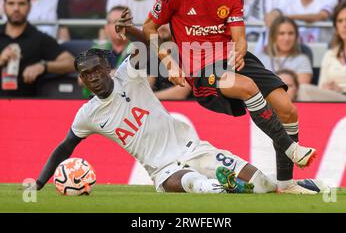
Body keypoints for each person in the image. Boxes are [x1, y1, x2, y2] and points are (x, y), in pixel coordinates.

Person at [142, 0, 317, 194]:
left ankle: (286, 184)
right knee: (246, 86)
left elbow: (239, 35)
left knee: (288, 109)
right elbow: (148, 27)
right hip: (200, 67)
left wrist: (240, 49)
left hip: (231, 58)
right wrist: (168, 62)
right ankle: (292, 149)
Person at [34, 23, 279, 195]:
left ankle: (232, 184)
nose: (93, 77)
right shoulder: (88, 114)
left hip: (192, 149)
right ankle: (222, 186)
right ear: (82, 80)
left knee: (264, 185)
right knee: (193, 183)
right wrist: (39, 182)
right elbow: (65, 146)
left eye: (97, 70)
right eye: (86, 75)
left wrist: (130, 30)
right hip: (163, 170)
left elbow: (147, 45)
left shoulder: (128, 74)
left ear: (107, 68)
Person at [0, 0, 75, 97]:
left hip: (28, 106)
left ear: (29, 7)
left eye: (21, 3)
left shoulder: (39, 39)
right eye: (11, 3)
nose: (16, 8)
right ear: (4, 7)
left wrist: (43, 66)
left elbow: (71, 63)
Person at [318, 0, 346, 100]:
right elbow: (321, 88)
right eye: (340, 21)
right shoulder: (329, 54)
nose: (344, 25)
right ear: (336, 27)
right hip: (333, 105)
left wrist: (343, 90)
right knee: (303, 89)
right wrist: (327, 88)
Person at [256, 17, 313, 84]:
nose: (286, 38)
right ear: (273, 36)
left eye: (291, 33)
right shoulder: (261, 59)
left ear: (296, 36)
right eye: (281, 33)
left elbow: (301, 89)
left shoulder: (303, 60)